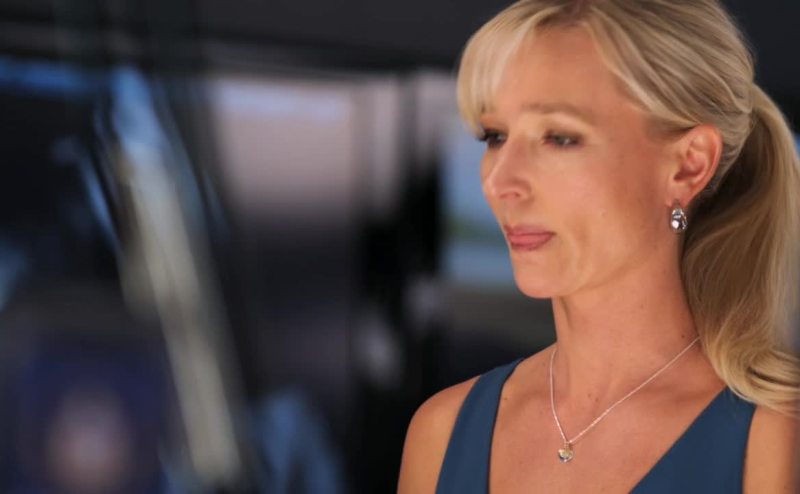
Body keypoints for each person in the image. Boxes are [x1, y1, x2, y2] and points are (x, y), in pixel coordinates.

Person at [397, 0, 800, 492]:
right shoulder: (440, 432)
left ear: (689, 165)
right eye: (495, 135)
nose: (500, 183)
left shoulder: (778, 439)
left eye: (560, 138)